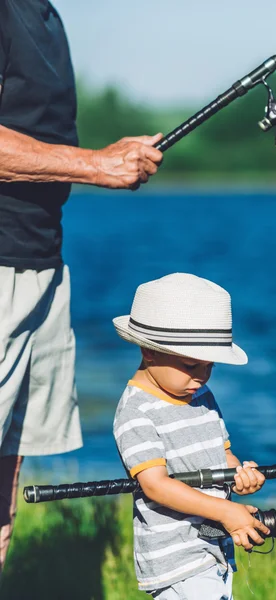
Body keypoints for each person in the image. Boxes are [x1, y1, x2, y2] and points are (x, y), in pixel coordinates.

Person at [0, 0, 163, 574]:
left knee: (5, 485)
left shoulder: (43, 14)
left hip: (41, 264)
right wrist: (94, 165)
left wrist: (104, 158)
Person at [113, 273, 268, 599]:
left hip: (215, 545)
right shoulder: (136, 412)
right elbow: (154, 484)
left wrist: (240, 474)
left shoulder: (201, 396)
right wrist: (226, 511)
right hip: (176, 557)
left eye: (209, 366)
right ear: (149, 352)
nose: (202, 376)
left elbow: (221, 455)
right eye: (191, 365)